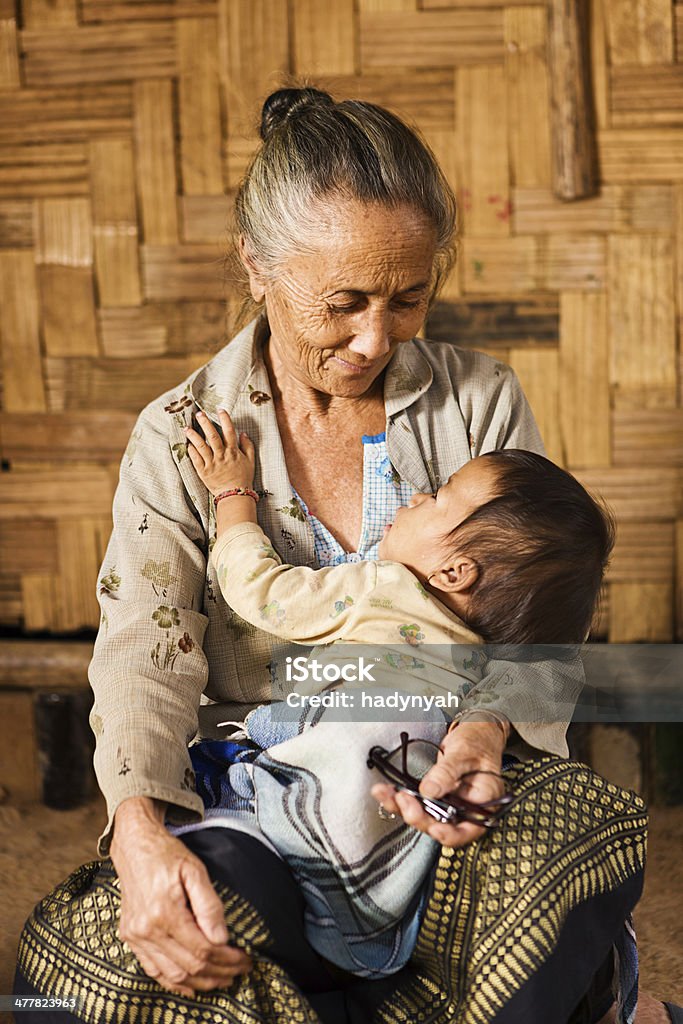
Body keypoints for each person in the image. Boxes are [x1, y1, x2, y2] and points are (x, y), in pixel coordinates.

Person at [14, 87, 651, 1024]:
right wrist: (142, 835)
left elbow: (536, 619)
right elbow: (142, 657)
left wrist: (478, 740)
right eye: (343, 303)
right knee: (102, 955)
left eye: (408, 300)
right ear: (256, 267)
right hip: (269, 805)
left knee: (570, 837)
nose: (373, 340)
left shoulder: (477, 405)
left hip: (430, 790)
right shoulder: (181, 436)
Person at [171, 409, 616, 978]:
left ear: (454, 572)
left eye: (440, 496)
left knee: (225, 787)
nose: (419, 493)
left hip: (335, 741)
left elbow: (263, 592)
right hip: (407, 791)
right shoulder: (483, 658)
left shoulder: (383, 587)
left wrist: (234, 495)